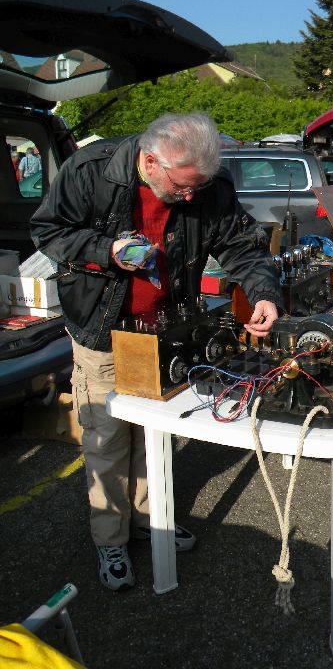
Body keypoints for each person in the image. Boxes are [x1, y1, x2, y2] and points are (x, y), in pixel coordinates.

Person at [30, 112, 283, 591]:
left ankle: (151, 519)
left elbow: (243, 247)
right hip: (102, 327)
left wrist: (264, 292)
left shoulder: (207, 185)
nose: (189, 197)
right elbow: (48, 231)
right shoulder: (91, 170)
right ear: (150, 161)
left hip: (166, 329)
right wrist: (106, 251)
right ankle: (111, 537)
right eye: (182, 187)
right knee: (107, 438)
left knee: (156, 433)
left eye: (196, 188)